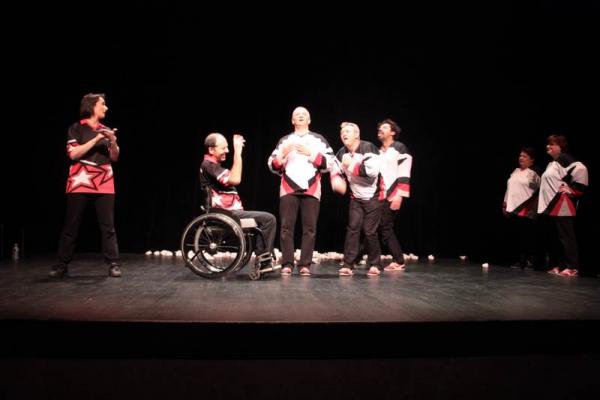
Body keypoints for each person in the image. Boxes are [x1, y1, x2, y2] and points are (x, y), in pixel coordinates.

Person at [50, 93, 122, 278]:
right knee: (71, 225)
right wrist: (96, 140)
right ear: (92, 106)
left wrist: (113, 141)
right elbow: (73, 154)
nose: (106, 108)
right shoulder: (76, 129)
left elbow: (114, 157)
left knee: (108, 226)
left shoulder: (106, 130)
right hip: (80, 181)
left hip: (104, 181)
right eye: (102, 104)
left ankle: (113, 263)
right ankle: (62, 264)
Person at [268, 107, 335, 276]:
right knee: (286, 227)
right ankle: (287, 263)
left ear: (309, 120)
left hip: (311, 187)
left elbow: (331, 163)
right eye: (297, 114)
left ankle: (305, 264)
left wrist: (310, 153)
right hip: (288, 187)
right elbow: (272, 165)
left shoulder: (318, 139)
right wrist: (282, 154)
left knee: (309, 228)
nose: (300, 116)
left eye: (304, 114)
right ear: (292, 120)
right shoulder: (285, 140)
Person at [202, 133, 276, 268]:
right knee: (268, 219)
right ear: (211, 149)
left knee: (264, 220)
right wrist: (238, 153)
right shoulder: (209, 165)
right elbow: (235, 179)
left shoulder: (213, 166)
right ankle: (264, 261)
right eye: (223, 148)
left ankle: (263, 257)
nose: (227, 151)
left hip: (227, 212)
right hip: (225, 213)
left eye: (227, 147)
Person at [331, 122, 384, 277]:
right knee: (353, 228)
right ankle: (348, 264)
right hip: (356, 196)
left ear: (357, 134)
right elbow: (335, 169)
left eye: (348, 131)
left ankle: (375, 264)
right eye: (342, 132)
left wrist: (351, 164)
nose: (344, 134)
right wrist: (336, 178)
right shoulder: (341, 152)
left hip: (374, 195)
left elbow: (372, 171)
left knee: (369, 231)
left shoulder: (368, 147)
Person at [538, 135, 588, 277]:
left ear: (561, 147)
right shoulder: (552, 163)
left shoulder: (566, 159)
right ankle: (559, 265)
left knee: (566, 237)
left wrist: (573, 190)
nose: (548, 146)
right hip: (551, 205)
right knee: (556, 237)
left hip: (562, 204)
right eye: (548, 144)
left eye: (552, 144)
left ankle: (573, 267)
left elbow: (581, 169)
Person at [376, 119, 412, 271]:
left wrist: (399, 195)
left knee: (386, 227)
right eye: (379, 128)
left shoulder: (399, 148)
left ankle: (399, 260)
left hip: (393, 194)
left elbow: (404, 171)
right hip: (379, 195)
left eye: (384, 127)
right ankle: (356, 257)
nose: (380, 129)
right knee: (373, 228)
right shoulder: (378, 152)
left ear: (392, 132)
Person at [502, 147, 542, 269]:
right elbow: (509, 188)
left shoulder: (534, 172)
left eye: (524, 156)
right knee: (517, 236)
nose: (521, 158)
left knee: (528, 236)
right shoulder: (515, 171)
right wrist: (505, 203)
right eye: (520, 155)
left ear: (532, 160)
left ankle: (530, 261)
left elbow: (540, 189)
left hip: (527, 209)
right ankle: (519, 260)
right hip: (513, 209)